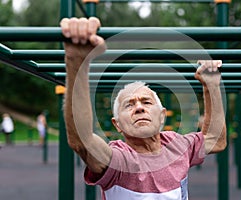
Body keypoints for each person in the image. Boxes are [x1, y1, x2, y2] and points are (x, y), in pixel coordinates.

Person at [61, 17, 226, 200]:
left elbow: (216, 140)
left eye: (146, 102)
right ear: (118, 125)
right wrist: (77, 62)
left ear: (162, 115)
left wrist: (212, 86)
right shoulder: (120, 161)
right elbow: (82, 142)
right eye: (129, 105)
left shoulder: (177, 146)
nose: (139, 108)